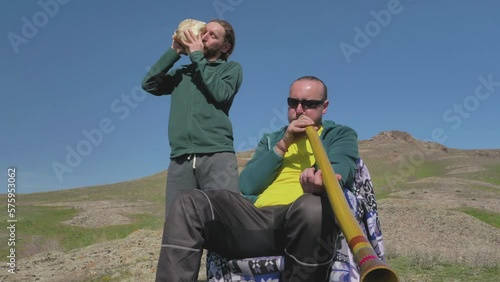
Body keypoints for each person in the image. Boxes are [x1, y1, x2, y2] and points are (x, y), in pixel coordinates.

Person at [156, 76, 360, 282]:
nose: (299, 110)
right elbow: (247, 185)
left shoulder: (338, 134)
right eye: (293, 102)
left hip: (301, 221)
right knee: (188, 202)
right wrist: (283, 144)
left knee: (313, 206)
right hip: (256, 218)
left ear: (324, 107)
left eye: (309, 104)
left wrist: (322, 181)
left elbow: (341, 167)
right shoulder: (272, 139)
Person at [141, 19, 243, 215]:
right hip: (181, 159)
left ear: (225, 46)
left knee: (226, 220)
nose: (204, 37)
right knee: (178, 224)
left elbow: (221, 94)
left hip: (217, 155)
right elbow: (149, 85)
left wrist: (197, 56)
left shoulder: (230, 69)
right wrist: (174, 52)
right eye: (204, 32)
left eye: (213, 35)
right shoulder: (183, 73)